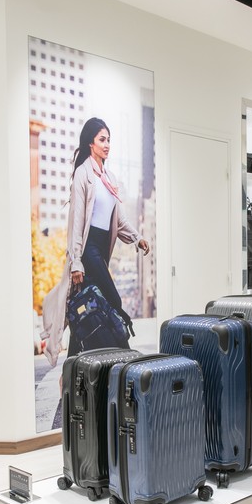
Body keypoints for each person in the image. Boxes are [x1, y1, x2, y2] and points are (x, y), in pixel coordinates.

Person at [41, 117, 151, 366]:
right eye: (102, 139)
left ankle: (71, 370)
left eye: (109, 140)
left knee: (86, 307)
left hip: (101, 249)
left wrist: (138, 238)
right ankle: (125, 359)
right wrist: (76, 262)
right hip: (88, 247)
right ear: (90, 143)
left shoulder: (110, 178)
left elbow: (119, 220)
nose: (107, 144)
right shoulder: (83, 174)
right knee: (114, 300)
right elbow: (76, 222)